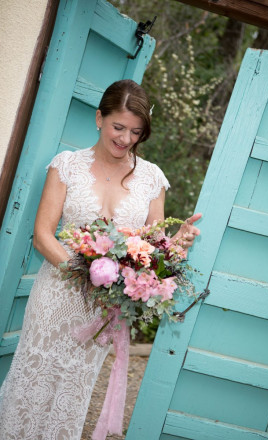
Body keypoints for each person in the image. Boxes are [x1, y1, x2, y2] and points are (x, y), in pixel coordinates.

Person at [0, 79, 201, 439]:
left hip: (101, 311)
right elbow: (43, 234)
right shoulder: (66, 166)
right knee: (33, 380)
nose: (125, 138)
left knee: (73, 390)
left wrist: (177, 241)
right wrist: (85, 274)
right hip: (56, 296)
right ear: (99, 119)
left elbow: (152, 247)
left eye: (135, 131)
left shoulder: (152, 178)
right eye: (118, 127)